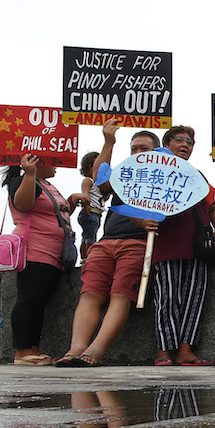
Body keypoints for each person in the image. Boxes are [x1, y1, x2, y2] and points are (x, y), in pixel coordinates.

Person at [56, 121, 160, 367]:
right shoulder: (123, 174)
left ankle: (96, 350)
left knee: (120, 295)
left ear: (157, 152)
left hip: (137, 243)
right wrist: (109, 141)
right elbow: (98, 180)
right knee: (90, 294)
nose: (137, 153)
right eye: (133, 148)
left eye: (143, 148)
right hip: (107, 241)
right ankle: (76, 349)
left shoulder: (165, 178)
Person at [147, 125, 215, 366]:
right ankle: (163, 353)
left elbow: (213, 206)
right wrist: (142, 222)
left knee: (194, 301)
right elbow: (135, 207)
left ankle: (185, 352)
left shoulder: (197, 175)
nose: (184, 145)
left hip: (198, 247)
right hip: (167, 245)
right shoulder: (153, 172)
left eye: (189, 142)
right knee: (166, 300)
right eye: (179, 140)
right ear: (167, 143)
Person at [1, 153, 84, 365]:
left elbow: (54, 215)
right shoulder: (24, 181)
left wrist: (71, 202)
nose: (57, 165)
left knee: (39, 300)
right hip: (35, 249)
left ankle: (33, 348)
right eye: (53, 161)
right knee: (30, 299)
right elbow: (23, 204)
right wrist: (29, 173)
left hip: (53, 252)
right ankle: (22, 351)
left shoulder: (47, 185)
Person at [77, 151, 105, 260]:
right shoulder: (88, 181)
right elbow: (85, 195)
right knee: (89, 236)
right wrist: (86, 205)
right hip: (90, 211)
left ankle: (86, 257)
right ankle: (86, 258)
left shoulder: (98, 184)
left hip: (96, 213)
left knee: (88, 235)